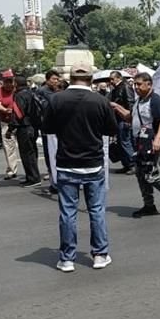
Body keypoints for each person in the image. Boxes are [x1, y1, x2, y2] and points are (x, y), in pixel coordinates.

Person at [41, 65, 118, 272]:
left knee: (67, 212)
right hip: (93, 162)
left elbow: (47, 128)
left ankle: (67, 258)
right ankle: (100, 254)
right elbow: (111, 129)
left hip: (67, 162)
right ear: (91, 79)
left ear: (70, 77)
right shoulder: (100, 101)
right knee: (96, 210)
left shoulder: (56, 99)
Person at [122, 71, 160, 218]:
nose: (135, 87)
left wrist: (158, 138)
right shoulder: (139, 101)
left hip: (151, 142)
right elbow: (130, 117)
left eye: (139, 84)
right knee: (140, 174)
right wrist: (115, 107)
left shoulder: (155, 100)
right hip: (139, 142)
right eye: (135, 84)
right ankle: (149, 205)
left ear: (149, 84)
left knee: (151, 174)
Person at [11, 75, 43, 188]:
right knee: (32, 153)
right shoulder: (31, 93)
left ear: (16, 84)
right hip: (33, 127)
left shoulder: (19, 95)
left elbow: (18, 114)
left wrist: (11, 128)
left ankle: (33, 178)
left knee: (26, 154)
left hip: (24, 127)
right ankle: (33, 176)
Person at [36, 69, 62, 194]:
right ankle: (54, 183)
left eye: (57, 79)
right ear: (47, 80)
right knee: (50, 155)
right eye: (54, 79)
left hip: (60, 127)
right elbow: (45, 108)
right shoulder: (41, 92)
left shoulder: (58, 91)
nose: (56, 81)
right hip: (48, 128)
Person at [0, 72, 20, 180]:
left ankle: (30, 170)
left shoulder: (17, 90)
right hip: (6, 121)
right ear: (2, 82)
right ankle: (12, 170)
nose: (9, 84)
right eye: (6, 81)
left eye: (10, 81)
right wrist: (6, 110)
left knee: (25, 148)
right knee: (9, 147)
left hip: (19, 122)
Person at [108, 71, 137, 174]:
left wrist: (129, 119)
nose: (111, 81)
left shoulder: (125, 87)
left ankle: (132, 164)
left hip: (124, 118)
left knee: (125, 142)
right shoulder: (115, 89)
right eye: (110, 79)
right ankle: (126, 164)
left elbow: (130, 103)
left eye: (112, 79)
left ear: (118, 78)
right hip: (118, 118)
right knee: (120, 142)